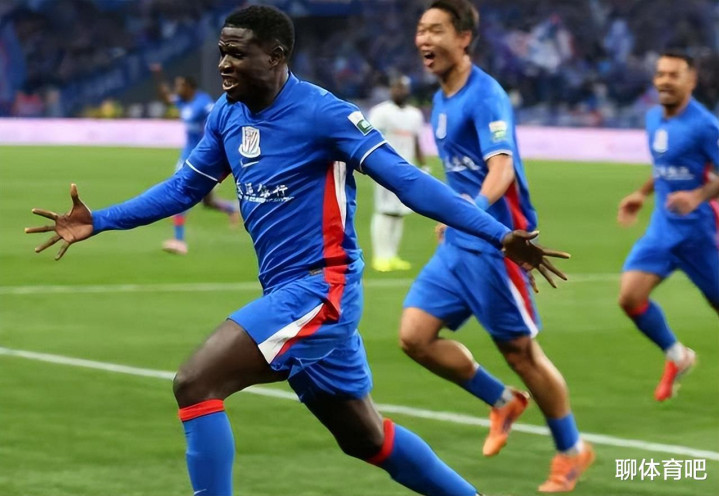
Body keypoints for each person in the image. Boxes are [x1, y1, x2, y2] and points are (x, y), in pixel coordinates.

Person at [26, 6, 568, 496]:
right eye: (222, 52)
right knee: (366, 438)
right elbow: (184, 188)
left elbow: (406, 180)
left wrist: (497, 233)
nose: (224, 65)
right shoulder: (227, 115)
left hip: (321, 289)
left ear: (275, 56)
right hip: (289, 293)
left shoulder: (324, 114)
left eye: (237, 54)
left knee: (196, 383)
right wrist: (100, 220)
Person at [400, 1, 594, 492]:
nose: (424, 39)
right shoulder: (441, 97)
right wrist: (454, 216)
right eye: (421, 30)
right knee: (415, 337)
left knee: (522, 353)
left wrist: (470, 213)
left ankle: (573, 449)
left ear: (464, 37)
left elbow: (501, 168)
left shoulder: (486, 96)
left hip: (498, 242)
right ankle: (502, 400)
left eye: (436, 30)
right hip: (459, 242)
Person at [617, 50, 719, 402]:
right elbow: (664, 167)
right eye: (660, 74)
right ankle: (678, 356)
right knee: (630, 297)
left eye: (674, 75)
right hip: (662, 229)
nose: (664, 81)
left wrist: (697, 196)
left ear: (691, 80)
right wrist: (641, 193)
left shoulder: (705, 125)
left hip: (699, 234)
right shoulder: (652, 119)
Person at [150, 64, 240, 255]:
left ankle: (179, 241)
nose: (177, 89)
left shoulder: (203, 103)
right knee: (206, 202)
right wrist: (158, 78)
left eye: (179, 85)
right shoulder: (183, 102)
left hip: (203, 158)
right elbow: (166, 99)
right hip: (187, 156)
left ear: (189, 87)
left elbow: (219, 114)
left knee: (180, 194)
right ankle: (232, 208)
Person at [368, 74, 426, 272]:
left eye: (402, 88)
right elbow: (369, 139)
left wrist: (423, 164)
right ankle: (380, 256)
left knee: (400, 213)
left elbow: (416, 141)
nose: (399, 91)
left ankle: (392, 255)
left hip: (407, 169)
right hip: (385, 168)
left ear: (408, 90)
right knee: (385, 211)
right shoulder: (380, 112)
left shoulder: (415, 115)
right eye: (396, 87)